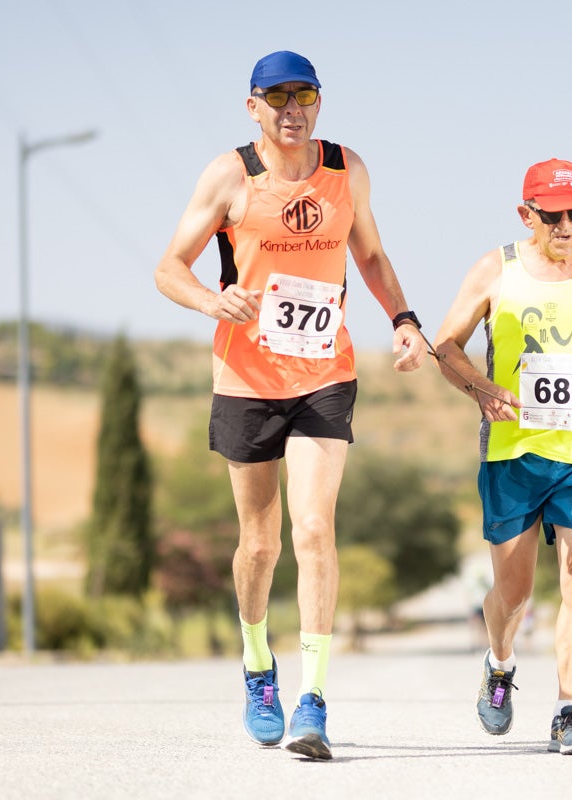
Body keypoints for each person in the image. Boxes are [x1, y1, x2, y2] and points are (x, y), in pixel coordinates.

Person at [154, 49, 427, 759]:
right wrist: (215, 300)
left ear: (318, 101)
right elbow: (167, 268)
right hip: (245, 379)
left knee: (313, 529)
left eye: (302, 94)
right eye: (275, 98)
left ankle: (314, 700)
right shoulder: (230, 176)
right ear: (253, 108)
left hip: (324, 374)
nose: (291, 108)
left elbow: (369, 255)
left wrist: (403, 319)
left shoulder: (347, 169)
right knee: (261, 544)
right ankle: (257, 666)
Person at [432, 158, 572, 756]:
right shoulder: (495, 269)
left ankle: (568, 710)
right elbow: (447, 344)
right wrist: (482, 389)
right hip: (512, 450)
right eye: (554, 215)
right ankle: (501, 662)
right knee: (514, 591)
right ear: (526, 214)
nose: (566, 226)